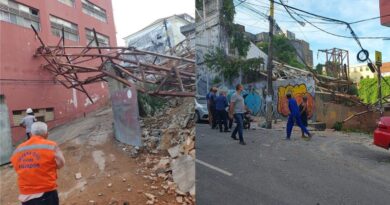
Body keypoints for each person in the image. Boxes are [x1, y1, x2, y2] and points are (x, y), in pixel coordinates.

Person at [11, 122, 65, 205]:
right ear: (47, 133)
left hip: (25, 196)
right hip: (46, 193)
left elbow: (16, 166)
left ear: (31, 133)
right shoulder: (51, 146)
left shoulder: (19, 148)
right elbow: (61, 164)